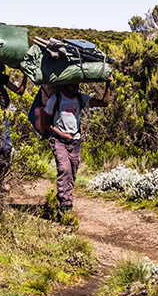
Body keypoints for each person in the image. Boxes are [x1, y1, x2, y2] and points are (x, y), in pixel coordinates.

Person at [45, 80, 111, 218]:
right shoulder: (55, 99)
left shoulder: (81, 98)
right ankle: (65, 206)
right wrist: (63, 135)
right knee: (64, 169)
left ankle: (64, 198)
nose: (76, 87)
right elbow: (47, 124)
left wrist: (107, 84)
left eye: (77, 84)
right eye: (73, 84)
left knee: (73, 172)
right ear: (65, 84)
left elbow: (103, 103)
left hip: (75, 141)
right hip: (59, 141)